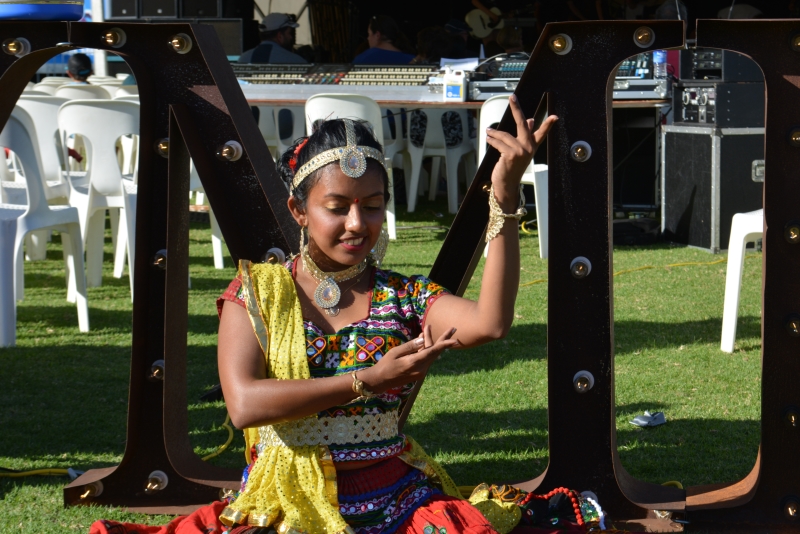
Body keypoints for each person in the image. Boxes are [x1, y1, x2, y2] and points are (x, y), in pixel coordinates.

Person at [90, 98, 559, 534]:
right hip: (286, 499)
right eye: (337, 208)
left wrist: (504, 197)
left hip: (396, 497)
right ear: (299, 210)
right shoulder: (259, 291)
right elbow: (245, 405)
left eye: (372, 207)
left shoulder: (404, 295)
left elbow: (491, 323)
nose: (358, 224)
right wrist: (365, 380)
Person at [238, 12, 307, 64]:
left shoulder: (243, 58)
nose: (290, 37)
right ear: (279, 36)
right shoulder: (296, 61)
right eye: (289, 33)